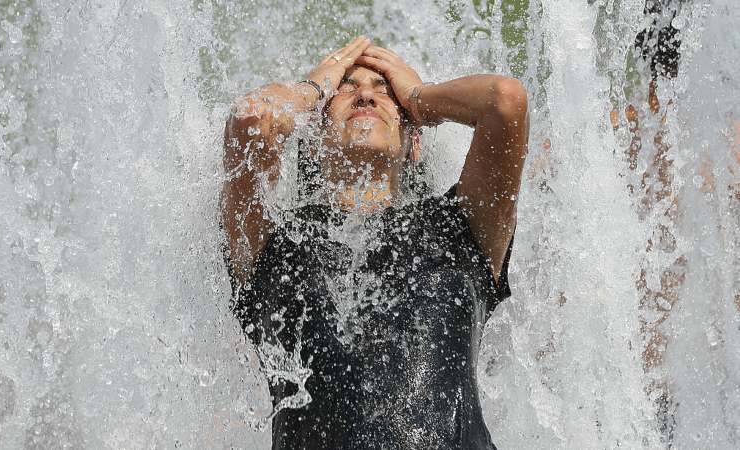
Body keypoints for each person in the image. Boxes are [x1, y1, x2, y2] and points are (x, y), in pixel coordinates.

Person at [222, 36, 528, 450]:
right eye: (346, 88)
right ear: (311, 138)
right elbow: (252, 119)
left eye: (387, 92)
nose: (366, 95)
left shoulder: (461, 231)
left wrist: (420, 99)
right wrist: (313, 91)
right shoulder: (274, 245)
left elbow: (504, 102)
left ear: (414, 142)